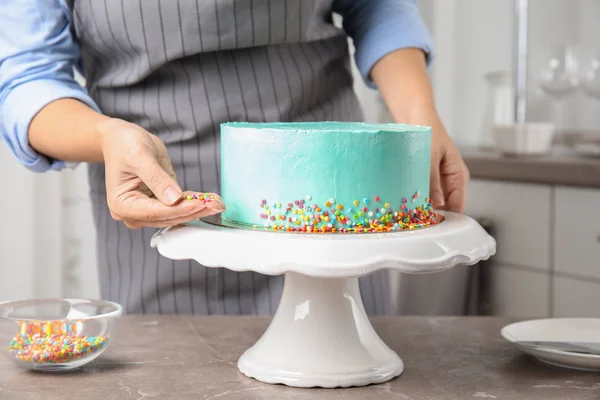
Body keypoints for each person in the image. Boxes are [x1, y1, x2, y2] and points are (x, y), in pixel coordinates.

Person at [0, 0, 469, 315]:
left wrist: (420, 114)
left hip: (329, 192)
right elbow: (27, 75)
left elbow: (376, 4)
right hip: (159, 187)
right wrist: (106, 136)